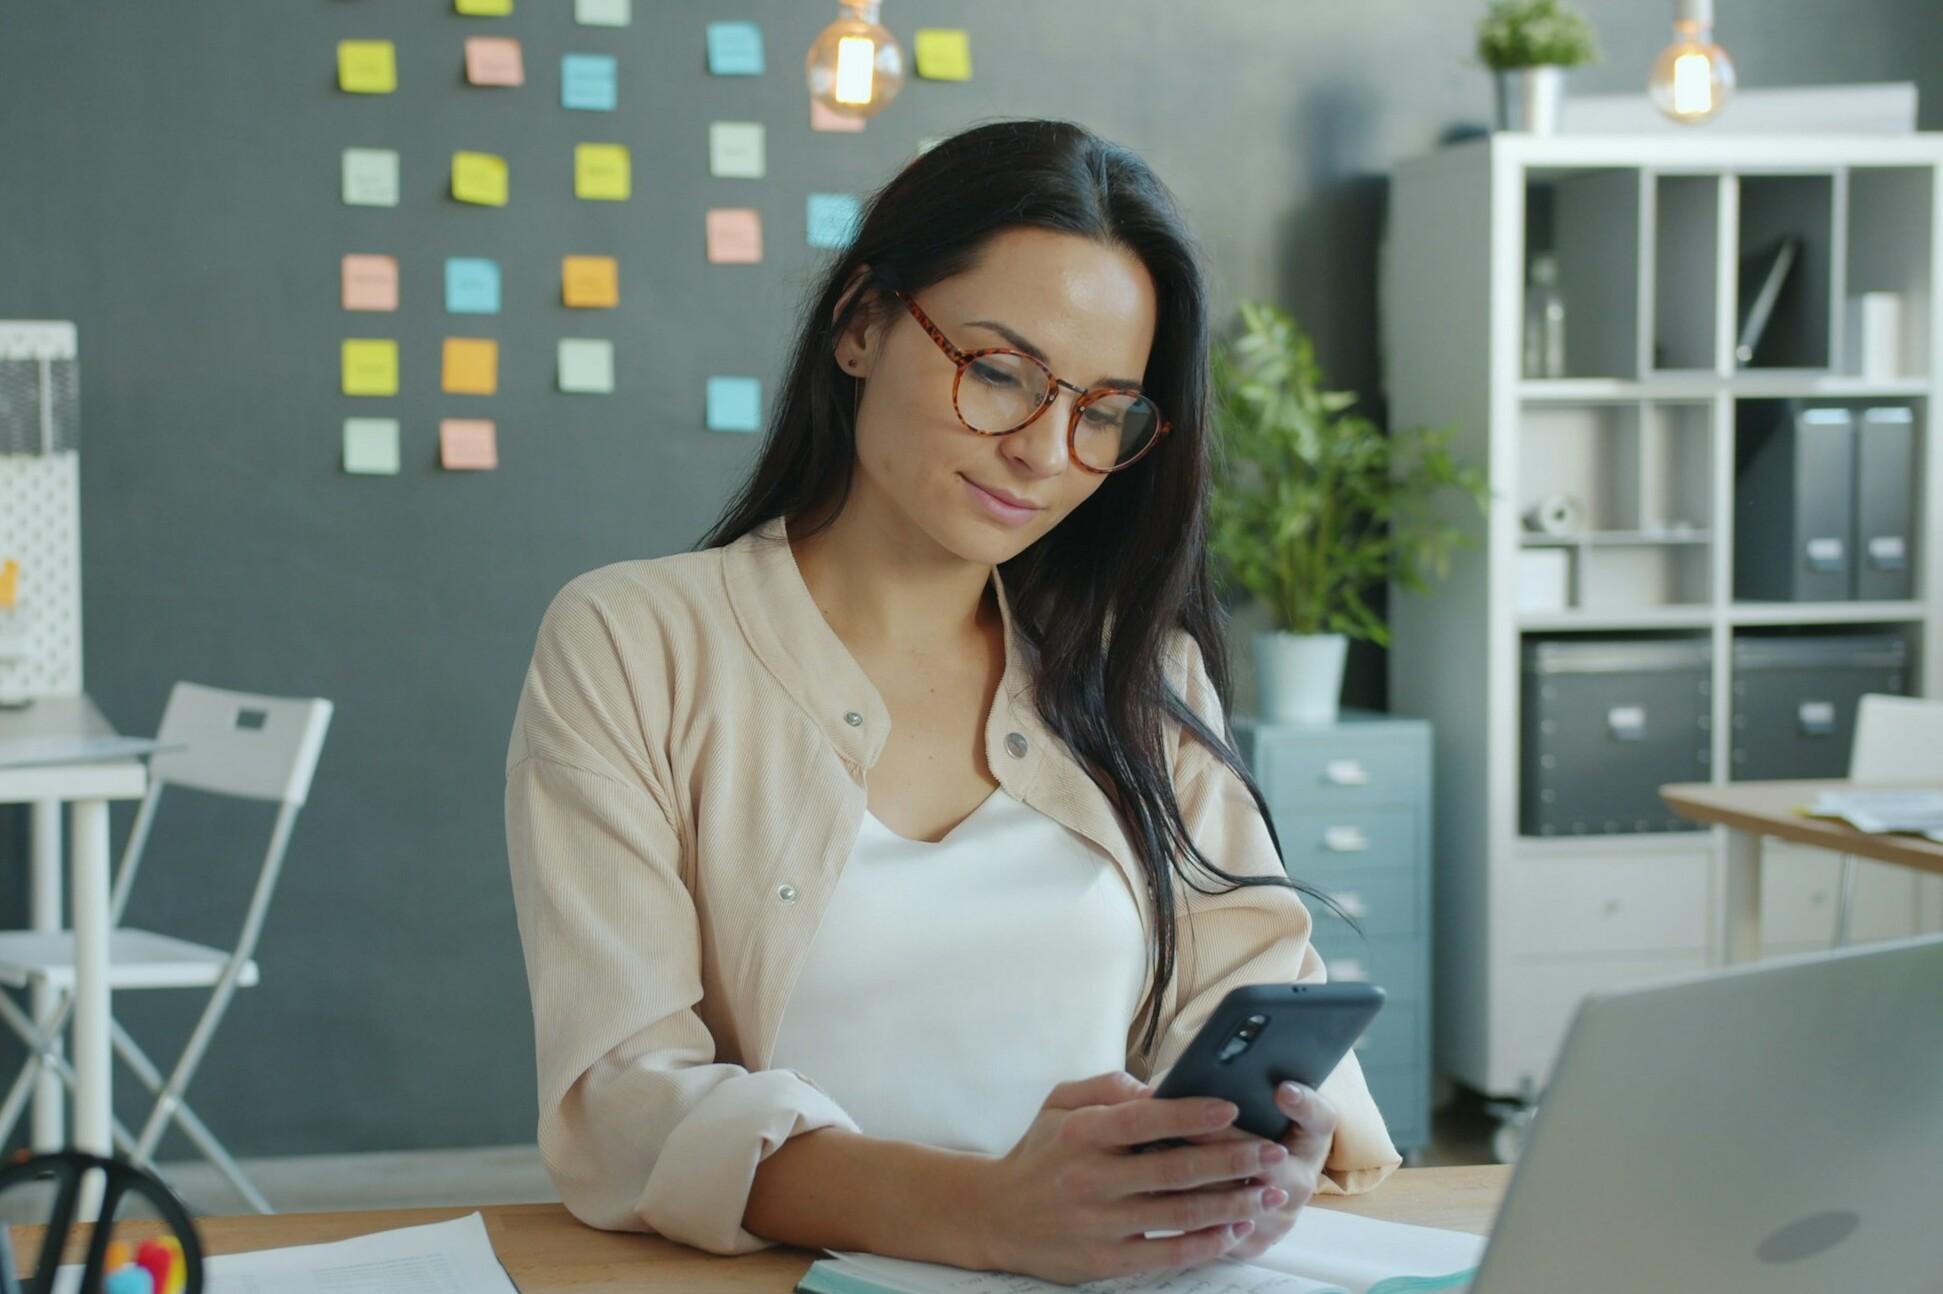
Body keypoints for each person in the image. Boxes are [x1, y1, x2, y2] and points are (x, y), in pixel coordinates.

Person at [504, 117, 1400, 1286]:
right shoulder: (635, 640)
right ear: (861, 324)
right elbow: (620, 1090)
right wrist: (984, 1214)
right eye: (998, 372)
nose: (1041, 451)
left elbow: (1247, 989)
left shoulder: (1140, 669)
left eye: (1100, 411)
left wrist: (1265, 1138)